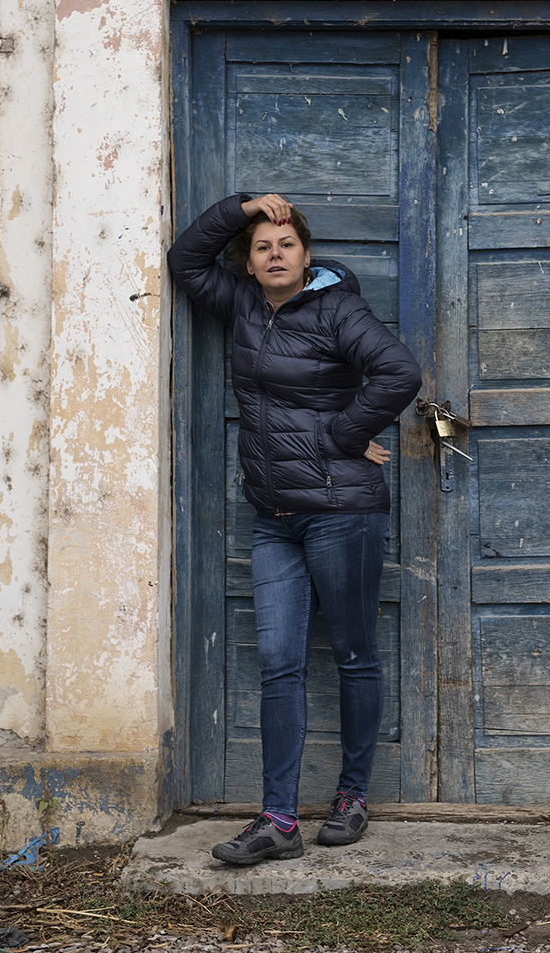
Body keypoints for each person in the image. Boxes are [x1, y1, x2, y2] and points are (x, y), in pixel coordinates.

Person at [167, 192, 422, 865]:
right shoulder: (242, 305)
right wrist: (240, 207)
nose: (275, 254)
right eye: (262, 247)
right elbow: (185, 260)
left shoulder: (337, 309)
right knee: (279, 665)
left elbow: (398, 371)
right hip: (273, 518)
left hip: (342, 512)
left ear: (306, 256)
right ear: (248, 263)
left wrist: (342, 436)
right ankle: (278, 820)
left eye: (286, 244)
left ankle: (352, 796)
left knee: (354, 655)